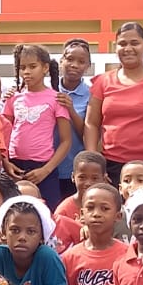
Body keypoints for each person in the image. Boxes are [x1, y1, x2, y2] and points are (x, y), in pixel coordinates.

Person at [84, 21, 143, 183]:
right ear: (115, 47)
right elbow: (91, 123)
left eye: (134, 43)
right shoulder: (103, 82)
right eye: (122, 44)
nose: (128, 48)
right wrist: (94, 162)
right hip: (110, 166)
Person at [3, 44, 75, 211]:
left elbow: (66, 141)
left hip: (44, 168)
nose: (27, 72)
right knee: (14, 213)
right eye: (22, 68)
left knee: (48, 214)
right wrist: (6, 162)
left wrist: (45, 170)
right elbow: (3, 133)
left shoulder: (57, 99)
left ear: (45, 68)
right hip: (15, 167)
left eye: (32, 66)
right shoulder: (13, 98)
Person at [52, 39, 93, 200]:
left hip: (74, 168)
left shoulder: (92, 95)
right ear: (61, 61)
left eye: (81, 62)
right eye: (69, 59)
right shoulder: (47, 90)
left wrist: (71, 110)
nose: (74, 65)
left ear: (88, 66)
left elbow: (89, 133)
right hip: (46, 167)